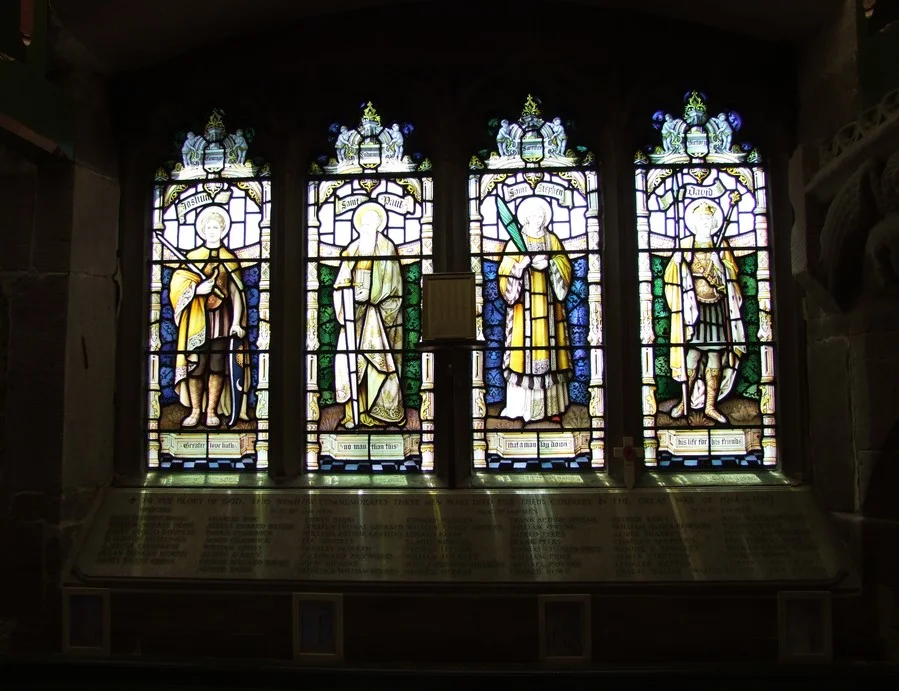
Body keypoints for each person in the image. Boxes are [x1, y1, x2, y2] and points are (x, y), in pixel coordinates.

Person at [664, 200, 745, 423]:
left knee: (715, 355)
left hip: (716, 307)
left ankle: (711, 405)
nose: (705, 223)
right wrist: (680, 263)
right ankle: (684, 401)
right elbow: (672, 276)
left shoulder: (721, 246)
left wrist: (720, 268)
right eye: (701, 219)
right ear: (694, 223)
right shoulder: (686, 244)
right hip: (693, 310)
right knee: (691, 354)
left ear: (714, 223)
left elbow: (731, 278)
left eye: (708, 219)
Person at [170, 206, 249, 428]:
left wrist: (236, 322)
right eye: (209, 227)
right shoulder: (192, 257)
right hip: (197, 319)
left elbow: (236, 292)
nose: (212, 231)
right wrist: (197, 290)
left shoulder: (229, 258)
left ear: (223, 230)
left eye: (216, 227)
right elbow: (177, 286)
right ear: (202, 230)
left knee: (217, 365)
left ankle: (212, 411)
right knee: (197, 365)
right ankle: (195, 411)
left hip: (222, 321)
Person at [497, 196, 573, 422]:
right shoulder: (515, 242)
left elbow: (564, 265)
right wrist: (520, 267)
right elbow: (505, 273)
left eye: (542, 215)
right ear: (526, 218)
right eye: (534, 215)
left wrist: (550, 264)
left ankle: (552, 409)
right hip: (524, 312)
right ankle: (521, 408)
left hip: (550, 310)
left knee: (551, 356)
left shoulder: (552, 240)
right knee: (523, 356)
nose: (538, 219)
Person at [333, 202, 405, 428]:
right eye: (364, 222)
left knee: (375, 363)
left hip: (376, 318)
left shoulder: (387, 248)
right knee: (348, 363)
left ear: (379, 225)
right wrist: (349, 293)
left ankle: (375, 413)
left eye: (372, 222)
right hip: (353, 315)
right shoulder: (352, 249)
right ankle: (353, 413)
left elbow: (394, 286)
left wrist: (372, 298)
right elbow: (340, 284)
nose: (368, 226)